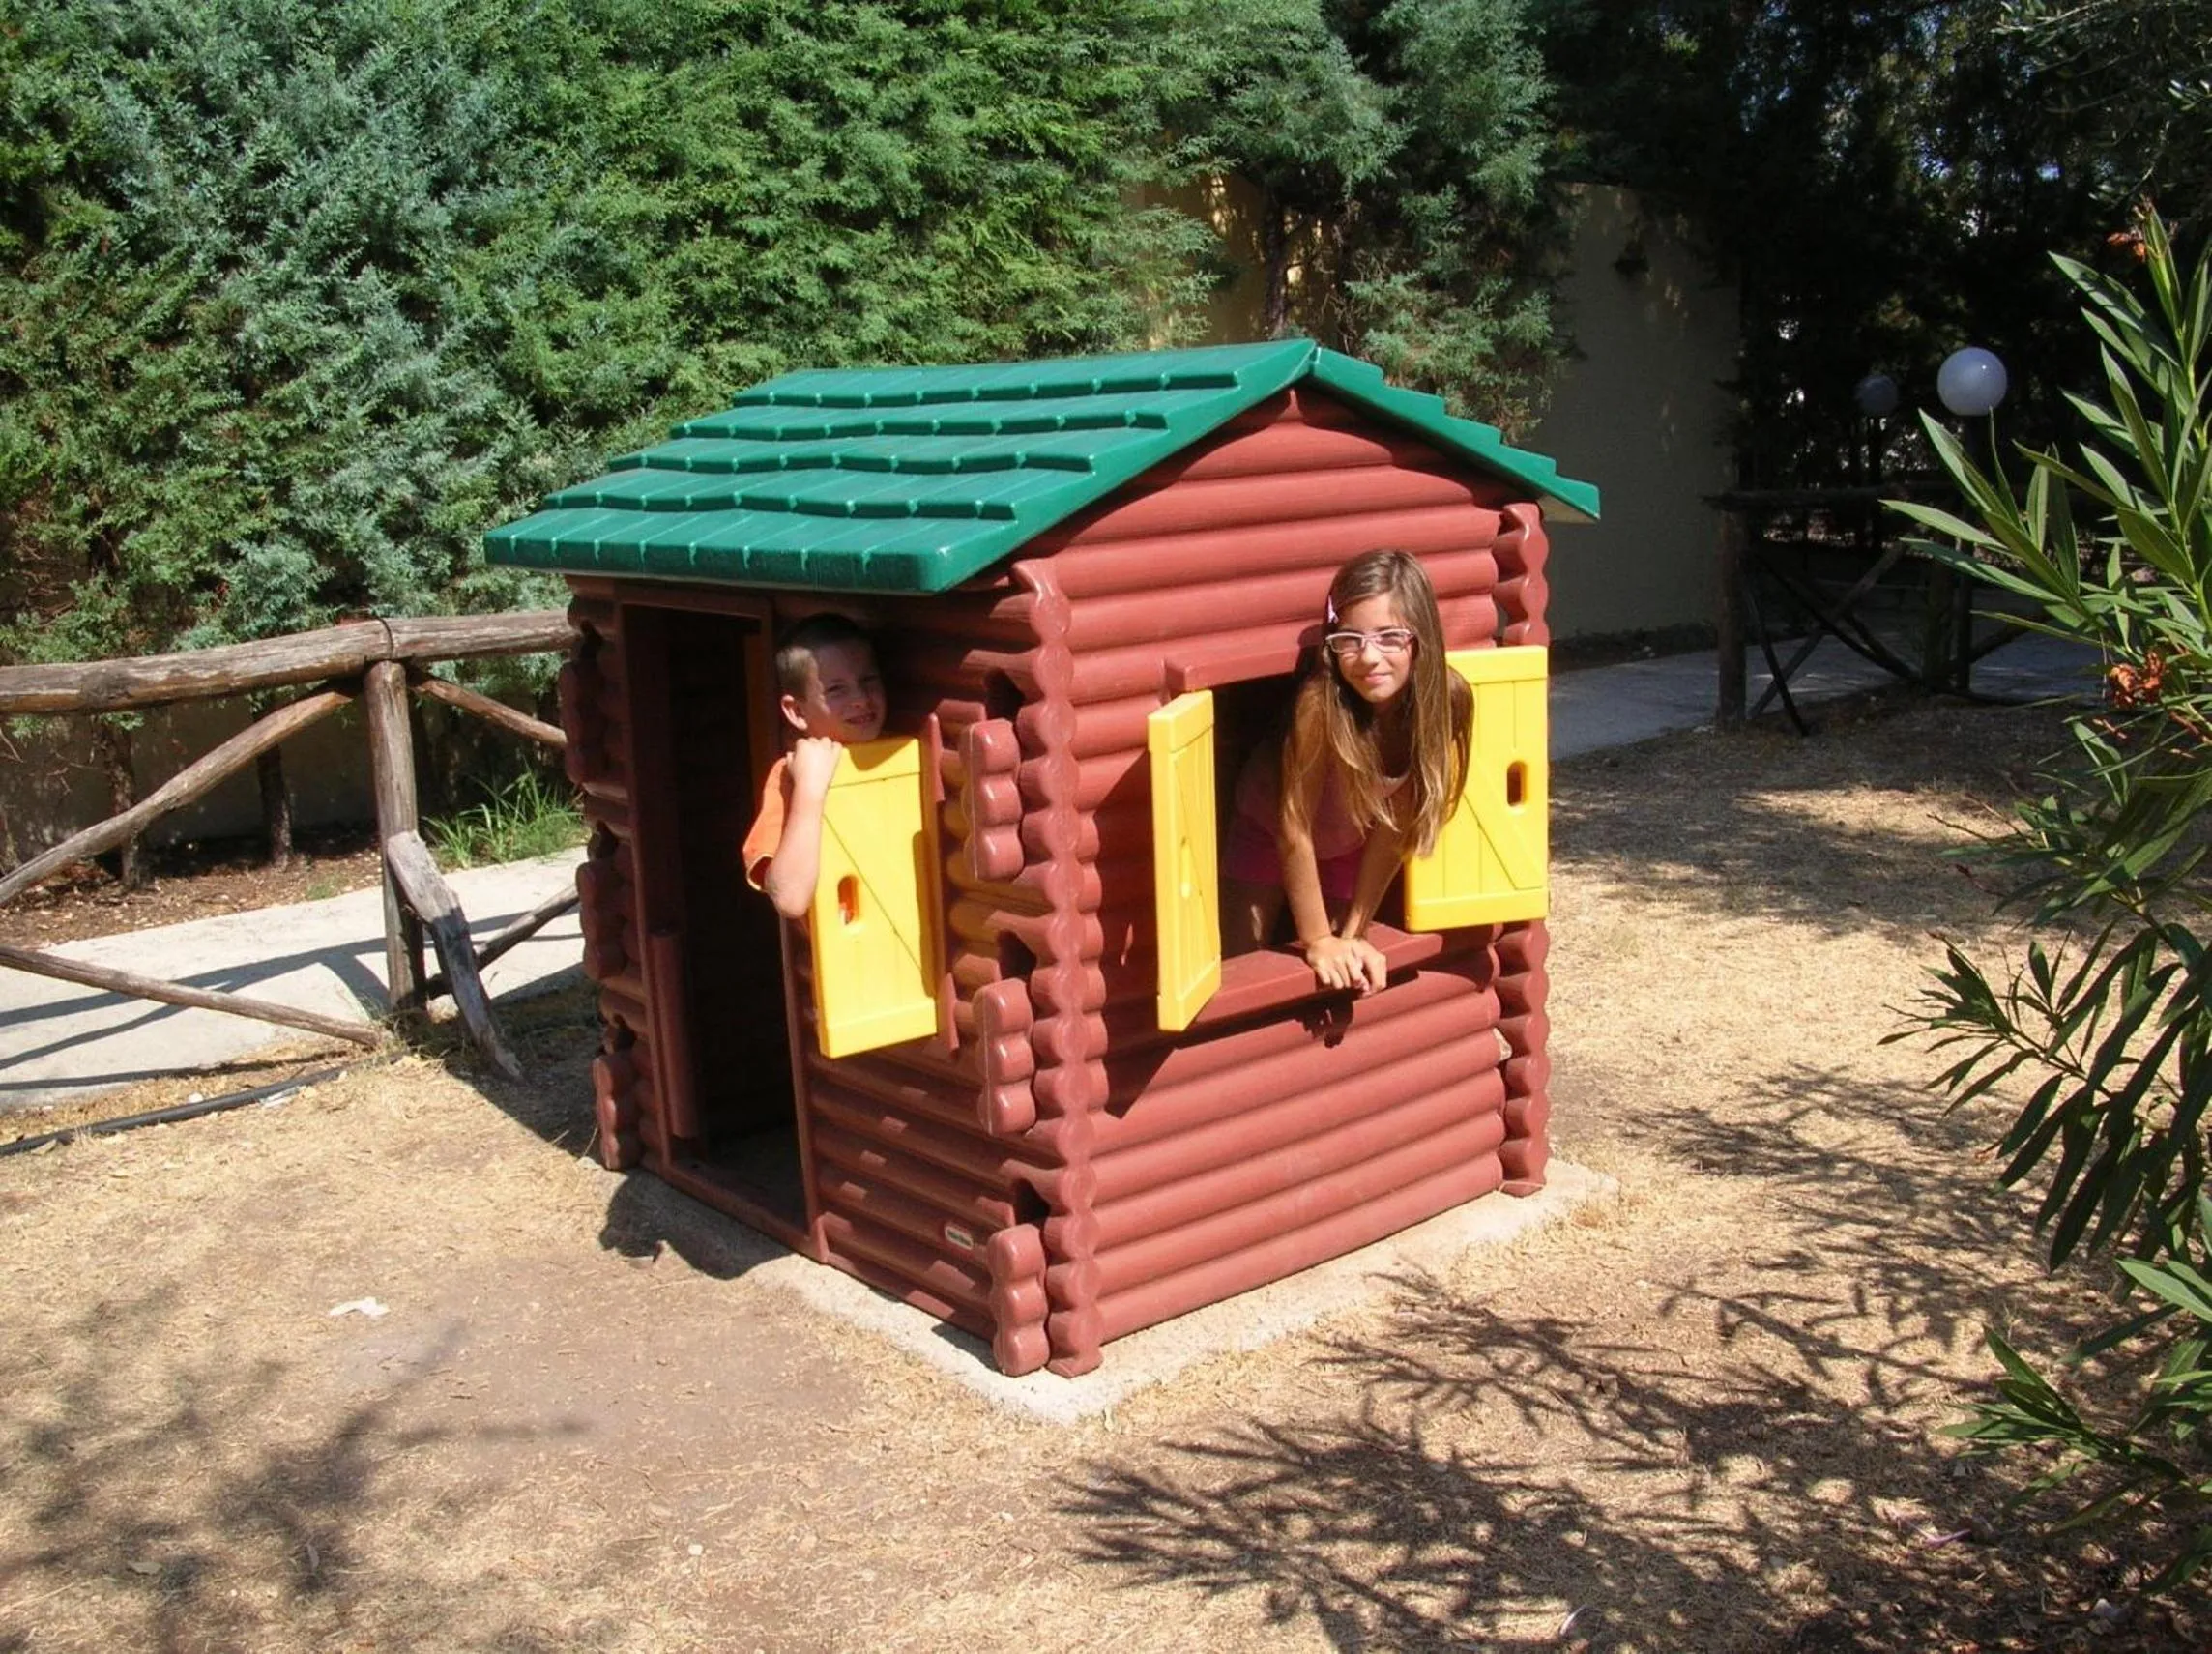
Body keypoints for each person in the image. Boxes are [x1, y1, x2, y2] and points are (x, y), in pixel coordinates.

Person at [1221, 550, 1470, 995]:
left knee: (1343, 973)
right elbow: (1292, 825)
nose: (1368, 658)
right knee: (1243, 967)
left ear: (1422, 637)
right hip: (1267, 828)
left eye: (1389, 637)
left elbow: (1394, 831)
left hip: (1346, 841)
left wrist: (1353, 934)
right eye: (1349, 640)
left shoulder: (1445, 702)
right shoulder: (1320, 706)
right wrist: (1318, 939)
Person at [742, 612, 888, 919]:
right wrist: (810, 790)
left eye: (868, 680)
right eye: (836, 690)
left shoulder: (904, 750)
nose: (861, 698)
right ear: (796, 711)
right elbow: (790, 899)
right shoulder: (791, 775)